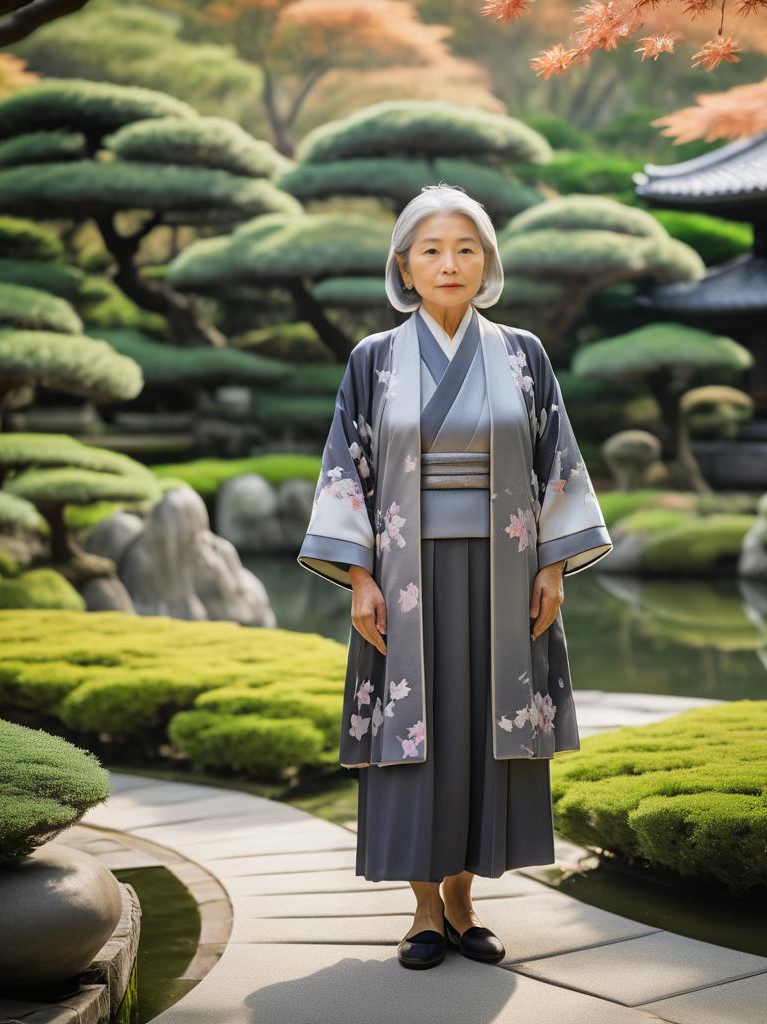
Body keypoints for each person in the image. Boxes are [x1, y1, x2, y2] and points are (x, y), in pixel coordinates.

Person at [298, 183, 612, 970]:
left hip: (505, 576)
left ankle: (467, 900)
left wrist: (553, 564)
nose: (449, 263)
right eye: (431, 250)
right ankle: (423, 912)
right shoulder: (373, 360)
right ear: (403, 266)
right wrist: (359, 577)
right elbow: (348, 469)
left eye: (466, 248)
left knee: (483, 731)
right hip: (405, 576)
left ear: (487, 263)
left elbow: (557, 462)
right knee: (415, 735)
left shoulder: (522, 353)